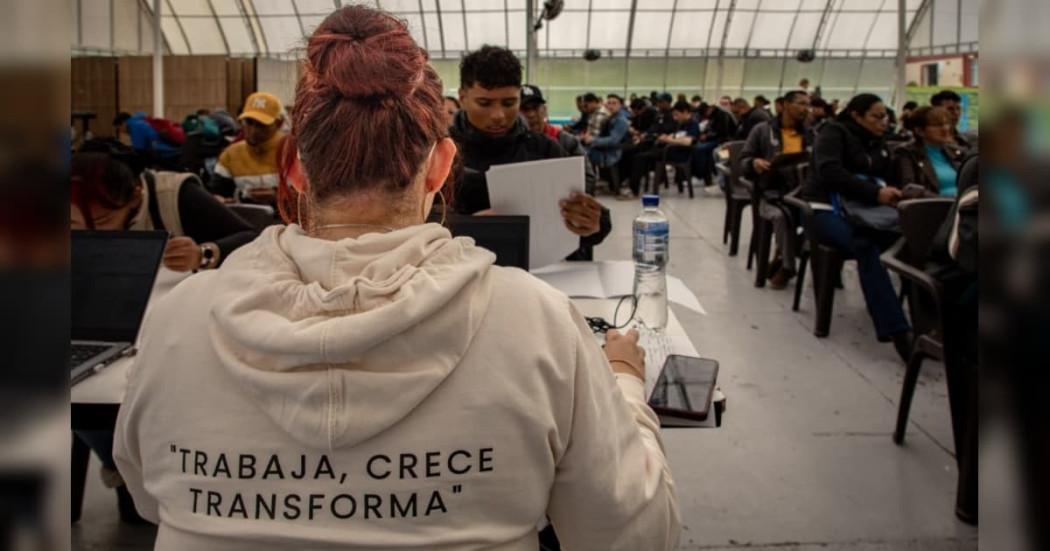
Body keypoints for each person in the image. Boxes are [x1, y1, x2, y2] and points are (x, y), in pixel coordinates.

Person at [114, 6, 681, 549]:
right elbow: (630, 534)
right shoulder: (537, 323)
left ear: (293, 169)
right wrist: (626, 386)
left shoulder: (175, 320)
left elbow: (148, 497)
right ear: (440, 166)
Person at [71, 141, 258, 523]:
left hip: (163, 330)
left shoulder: (175, 195)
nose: (91, 234)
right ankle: (120, 466)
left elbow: (255, 239)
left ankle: (130, 470)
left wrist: (205, 253)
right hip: (88, 322)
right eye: (75, 226)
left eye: (104, 221)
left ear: (136, 196)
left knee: (142, 404)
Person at [449, 45, 611, 260]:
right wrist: (468, 229)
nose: (498, 115)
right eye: (484, 103)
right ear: (462, 97)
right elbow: (410, 230)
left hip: (540, 276)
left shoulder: (546, 150)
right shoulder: (438, 155)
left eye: (509, 103)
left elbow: (589, 218)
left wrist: (594, 223)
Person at [801, 93, 913, 359]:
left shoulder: (879, 142)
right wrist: (874, 193)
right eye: (876, 116)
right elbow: (830, 172)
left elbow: (887, 173)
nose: (883, 122)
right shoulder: (833, 133)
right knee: (866, 246)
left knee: (916, 241)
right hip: (825, 210)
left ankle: (931, 324)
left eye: (885, 116)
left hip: (868, 212)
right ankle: (898, 331)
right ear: (855, 115)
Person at [740, 90, 813, 289]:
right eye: (800, 103)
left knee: (816, 216)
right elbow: (744, 160)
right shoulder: (762, 130)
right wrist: (754, 163)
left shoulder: (808, 134)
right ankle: (789, 265)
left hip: (800, 192)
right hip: (770, 194)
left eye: (807, 104)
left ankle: (786, 255)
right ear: (785, 105)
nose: (804, 108)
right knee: (781, 216)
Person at [210, 92, 286, 205]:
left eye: (261, 125)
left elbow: (310, 198)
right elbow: (217, 193)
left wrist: (279, 198)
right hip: (242, 220)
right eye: (249, 122)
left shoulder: (294, 153)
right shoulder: (230, 155)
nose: (253, 131)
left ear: (279, 124)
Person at [519, 84, 597, 193]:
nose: (531, 114)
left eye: (535, 108)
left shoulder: (567, 142)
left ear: (545, 110)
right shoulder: (510, 144)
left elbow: (588, 179)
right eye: (525, 109)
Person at [894, 106, 966, 197]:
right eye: (937, 125)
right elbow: (910, 189)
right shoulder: (906, 153)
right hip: (935, 206)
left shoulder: (957, 151)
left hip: (966, 204)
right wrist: (943, 201)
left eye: (946, 123)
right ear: (920, 131)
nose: (945, 129)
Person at [582, 94, 630, 194]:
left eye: (614, 103)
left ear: (620, 105)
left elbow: (613, 140)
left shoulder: (621, 121)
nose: (611, 105)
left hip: (613, 153)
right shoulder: (611, 118)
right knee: (582, 152)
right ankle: (590, 184)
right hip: (606, 149)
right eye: (609, 103)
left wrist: (593, 140)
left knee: (583, 156)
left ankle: (589, 186)